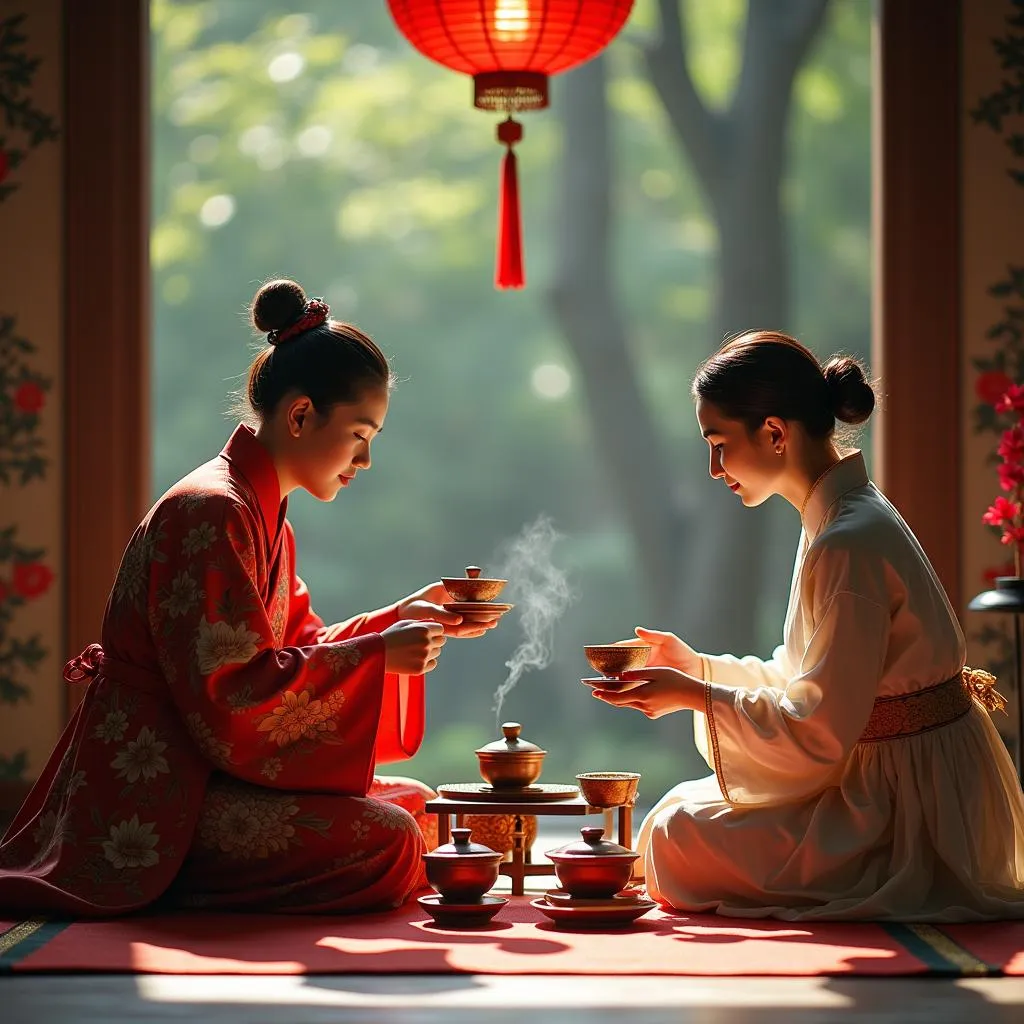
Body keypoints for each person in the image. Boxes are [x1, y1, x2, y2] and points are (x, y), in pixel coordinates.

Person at [0, 278, 499, 917]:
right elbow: (231, 691)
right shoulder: (212, 511)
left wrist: (401, 621)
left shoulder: (262, 514)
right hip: (162, 786)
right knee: (394, 838)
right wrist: (378, 657)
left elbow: (298, 647)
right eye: (359, 434)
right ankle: (173, 883)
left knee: (415, 805)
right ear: (299, 415)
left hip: (212, 767)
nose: (366, 460)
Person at [590, 330, 1024, 921]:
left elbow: (818, 730)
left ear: (774, 432)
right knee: (675, 813)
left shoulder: (848, 539)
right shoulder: (837, 518)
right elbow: (807, 678)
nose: (714, 469)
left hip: (901, 807)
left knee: (675, 837)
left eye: (719, 444)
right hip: (885, 770)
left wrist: (697, 697)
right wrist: (698, 668)